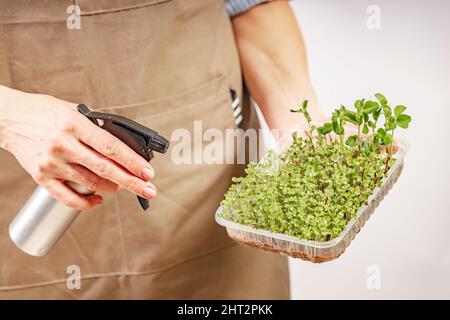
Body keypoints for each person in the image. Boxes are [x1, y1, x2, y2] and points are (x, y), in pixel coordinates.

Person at [0, 0, 324, 298]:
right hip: (23, 176)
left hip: (204, 170)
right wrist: (10, 119)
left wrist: (300, 125)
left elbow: (251, 4)